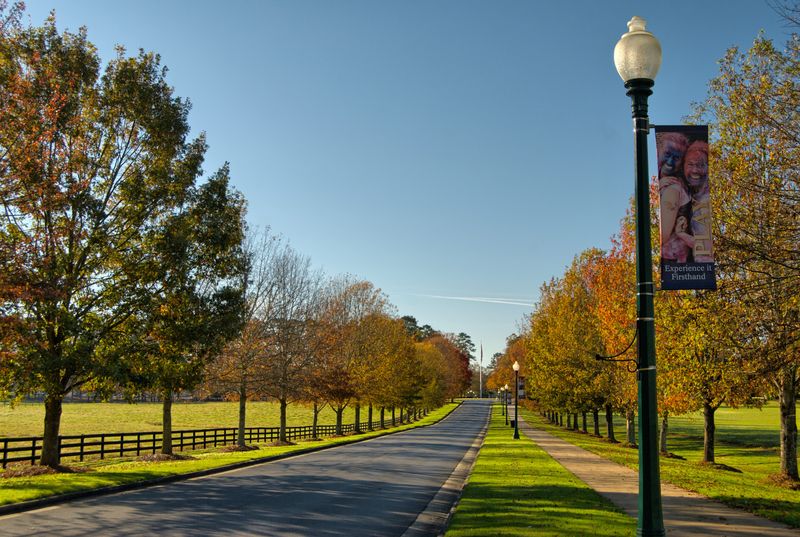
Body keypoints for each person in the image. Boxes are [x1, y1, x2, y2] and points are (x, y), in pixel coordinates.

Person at [683, 141, 713, 262]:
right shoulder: (688, 195)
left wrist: (681, 235)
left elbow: (704, 246)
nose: (695, 170)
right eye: (690, 164)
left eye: (700, 165)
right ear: (683, 166)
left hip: (700, 273)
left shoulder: (704, 202)